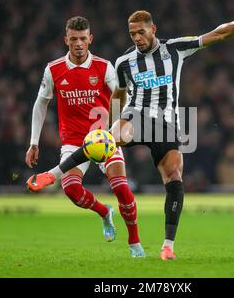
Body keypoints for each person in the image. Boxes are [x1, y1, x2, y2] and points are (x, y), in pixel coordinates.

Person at [27, 7, 234, 260]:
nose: (137, 38)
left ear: (153, 29)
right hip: (135, 116)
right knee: (104, 140)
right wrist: (112, 123)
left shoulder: (175, 49)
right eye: (132, 33)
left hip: (166, 124)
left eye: (141, 32)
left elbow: (217, 35)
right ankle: (52, 174)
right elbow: (119, 94)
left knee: (174, 177)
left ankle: (167, 245)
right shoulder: (124, 62)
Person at [25, 16, 145, 258]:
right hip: (74, 142)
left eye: (82, 38)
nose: (78, 43)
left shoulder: (104, 67)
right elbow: (41, 104)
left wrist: (118, 123)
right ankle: (104, 212)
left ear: (90, 39)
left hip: (104, 138)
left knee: (121, 187)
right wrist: (33, 142)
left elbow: (124, 96)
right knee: (70, 190)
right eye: (73, 39)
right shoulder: (54, 69)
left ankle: (135, 243)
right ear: (66, 40)